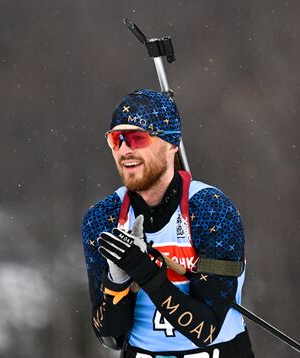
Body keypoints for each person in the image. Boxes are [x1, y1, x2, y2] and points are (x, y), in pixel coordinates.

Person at [81, 89, 254, 358]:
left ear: (172, 145)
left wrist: (144, 270)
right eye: (117, 139)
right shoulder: (103, 217)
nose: (125, 149)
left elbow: (204, 329)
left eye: (138, 138)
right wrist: (117, 281)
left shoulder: (212, 210)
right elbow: (109, 336)